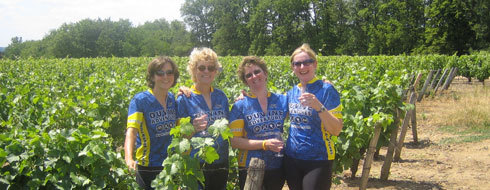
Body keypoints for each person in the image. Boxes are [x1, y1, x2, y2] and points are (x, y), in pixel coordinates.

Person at [284, 44, 343, 190]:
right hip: (292, 159)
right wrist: (247, 97)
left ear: (315, 64)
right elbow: (271, 109)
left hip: (319, 159)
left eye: (307, 62)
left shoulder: (327, 90)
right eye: (297, 63)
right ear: (293, 67)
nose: (302, 66)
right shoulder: (291, 92)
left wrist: (319, 106)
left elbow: (336, 130)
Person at [229, 56, 287, 190]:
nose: (254, 76)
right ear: (245, 81)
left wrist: (323, 84)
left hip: (277, 166)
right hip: (250, 166)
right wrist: (264, 144)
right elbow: (234, 141)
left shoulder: (282, 100)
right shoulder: (240, 106)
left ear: (265, 73)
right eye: (249, 75)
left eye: (257, 71)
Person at [176, 47, 230, 190]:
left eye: (211, 68)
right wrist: (193, 128)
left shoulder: (221, 96)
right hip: (196, 165)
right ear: (194, 70)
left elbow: (228, 126)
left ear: (215, 71)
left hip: (221, 162)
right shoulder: (184, 99)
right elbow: (179, 139)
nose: (206, 71)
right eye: (201, 67)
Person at [124, 56, 180, 190]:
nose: (165, 76)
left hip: (170, 164)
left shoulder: (172, 99)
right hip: (148, 167)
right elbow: (131, 131)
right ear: (152, 77)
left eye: (169, 72)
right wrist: (128, 158)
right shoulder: (140, 100)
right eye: (160, 73)